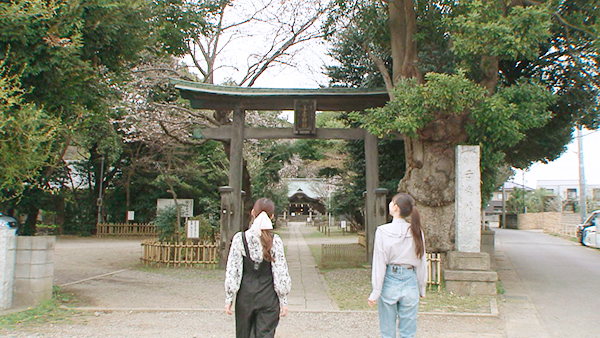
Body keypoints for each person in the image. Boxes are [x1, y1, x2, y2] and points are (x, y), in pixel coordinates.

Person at [224, 198, 291, 338]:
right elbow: (280, 272)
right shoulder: (275, 240)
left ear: (253, 213)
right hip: (268, 296)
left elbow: (233, 271)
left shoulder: (239, 239)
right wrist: (283, 300)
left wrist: (229, 298)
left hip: (245, 296)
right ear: (272, 217)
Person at [368, 193, 427, 338]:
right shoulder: (417, 231)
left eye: (392, 202)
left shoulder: (383, 231)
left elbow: (379, 262)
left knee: (387, 332)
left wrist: (376, 291)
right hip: (410, 279)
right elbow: (421, 262)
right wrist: (422, 287)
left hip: (390, 279)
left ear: (395, 207)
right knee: (408, 332)